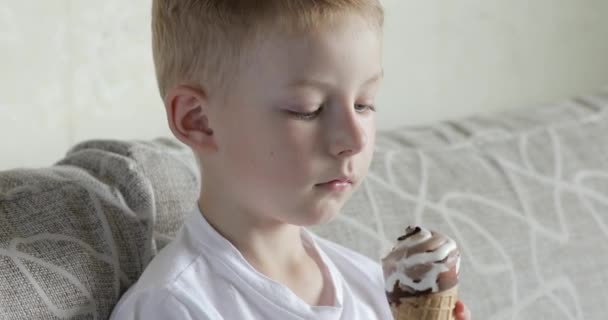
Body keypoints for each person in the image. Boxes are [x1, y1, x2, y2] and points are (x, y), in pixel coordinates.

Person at [110, 1, 471, 319]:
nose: (355, 139)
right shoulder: (174, 306)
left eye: (363, 103)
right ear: (199, 120)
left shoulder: (375, 288)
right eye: (308, 110)